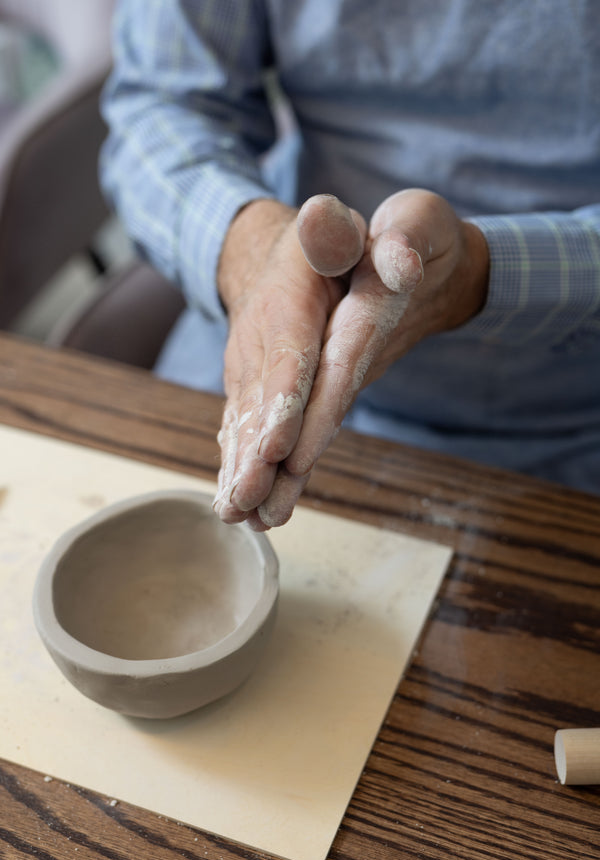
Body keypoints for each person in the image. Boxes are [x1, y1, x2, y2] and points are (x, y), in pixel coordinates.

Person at [100, 0, 600, 530]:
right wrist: (253, 248)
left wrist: (479, 274)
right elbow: (159, 103)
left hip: (558, 424)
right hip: (267, 325)